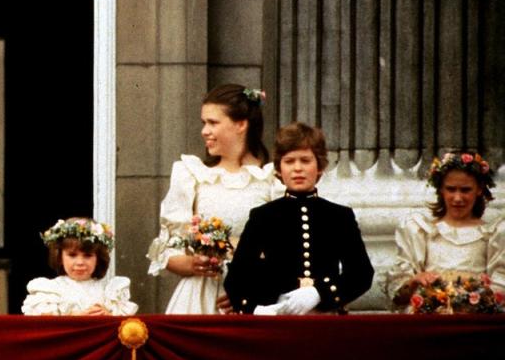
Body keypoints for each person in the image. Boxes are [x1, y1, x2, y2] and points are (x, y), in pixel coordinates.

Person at [146, 84, 284, 314]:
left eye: (213, 123)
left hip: (254, 298)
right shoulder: (192, 175)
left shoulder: (271, 181)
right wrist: (193, 263)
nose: (204, 131)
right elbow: (167, 250)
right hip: (199, 298)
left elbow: (285, 253)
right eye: (204, 123)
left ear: (241, 124)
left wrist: (255, 286)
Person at [224, 122, 374, 315]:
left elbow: (361, 274)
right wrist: (258, 309)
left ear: (319, 166)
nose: (297, 168)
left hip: (325, 319)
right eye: (289, 161)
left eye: (305, 160)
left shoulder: (339, 216)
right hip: (276, 322)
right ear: (278, 169)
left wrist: (319, 292)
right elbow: (236, 278)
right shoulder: (263, 216)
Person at [386, 151, 503, 309]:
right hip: (429, 320)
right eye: (451, 189)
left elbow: (499, 288)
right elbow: (398, 295)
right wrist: (415, 280)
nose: (457, 198)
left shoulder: (492, 234)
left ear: (479, 190)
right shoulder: (421, 230)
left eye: (465, 190)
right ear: (441, 190)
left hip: (473, 320)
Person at [22, 217, 137, 316]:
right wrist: (73, 318)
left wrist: (108, 316)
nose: (80, 262)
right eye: (72, 255)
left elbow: (124, 327)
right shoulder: (50, 290)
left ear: (98, 259)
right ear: (60, 257)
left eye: (87, 256)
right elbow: (44, 326)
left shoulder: (110, 291)